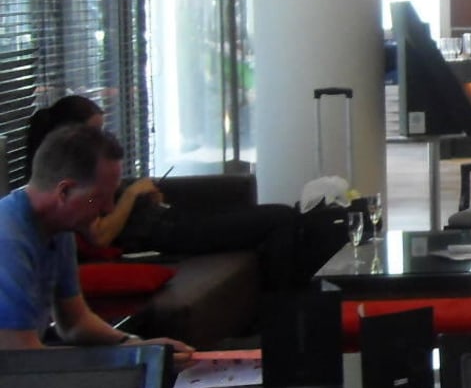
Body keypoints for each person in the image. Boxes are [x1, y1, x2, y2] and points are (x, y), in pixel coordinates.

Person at [20, 95, 334, 289]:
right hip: (164, 235)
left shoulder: (85, 175)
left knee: (291, 223)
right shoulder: (70, 189)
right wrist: (131, 195)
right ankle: (285, 310)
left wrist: (141, 196)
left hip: (169, 221)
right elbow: (100, 234)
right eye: (95, 131)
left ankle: (291, 305)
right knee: (281, 218)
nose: (102, 138)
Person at [1, 123, 191, 361]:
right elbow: (21, 359)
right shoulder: (8, 241)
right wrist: (131, 360)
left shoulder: (59, 230)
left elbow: (75, 322)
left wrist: (136, 346)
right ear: (64, 191)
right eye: (99, 198)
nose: (109, 208)